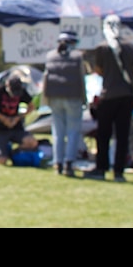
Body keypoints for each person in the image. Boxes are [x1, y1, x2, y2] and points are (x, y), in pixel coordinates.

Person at [85, 14, 133, 182]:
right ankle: (119, 171)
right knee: (122, 135)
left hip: (108, 95)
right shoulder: (130, 47)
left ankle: (101, 168)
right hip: (127, 95)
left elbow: (98, 70)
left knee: (103, 134)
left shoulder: (102, 48)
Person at [42, 30, 87, 177]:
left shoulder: (50, 56)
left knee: (58, 132)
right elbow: (81, 79)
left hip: (54, 98)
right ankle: (69, 162)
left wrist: (45, 99)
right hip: (73, 97)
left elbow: (46, 78)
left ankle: (58, 162)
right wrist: (84, 99)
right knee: (73, 132)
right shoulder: (78, 56)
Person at [0, 73, 39, 165]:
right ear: (7, 86)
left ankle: (12, 154)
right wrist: (3, 118)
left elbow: (32, 107)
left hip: (15, 128)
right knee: (1, 160)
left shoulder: (21, 91)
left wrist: (18, 117)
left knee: (32, 142)